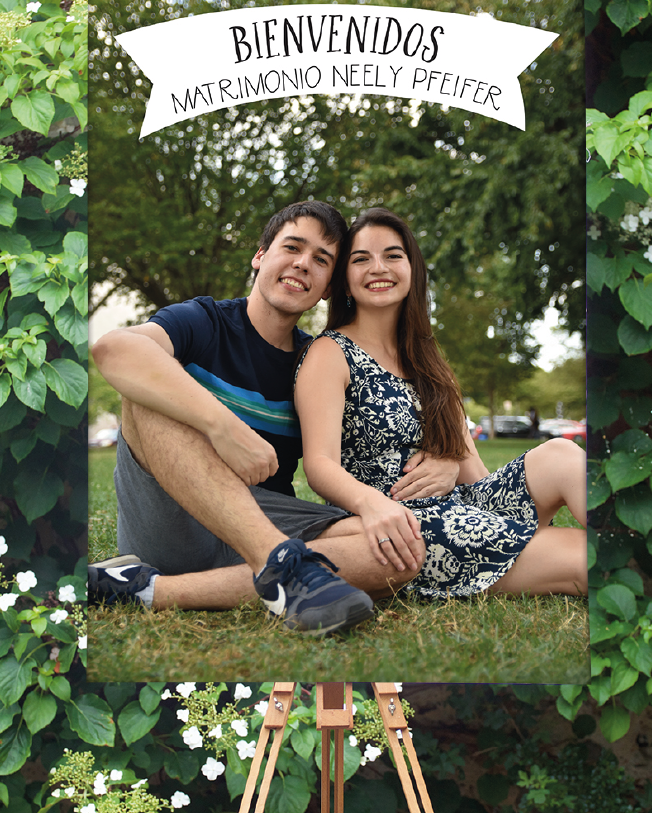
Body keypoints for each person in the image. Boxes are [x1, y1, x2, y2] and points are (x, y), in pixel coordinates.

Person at [88, 201, 426, 635]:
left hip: (265, 518)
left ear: (328, 287)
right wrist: (222, 427)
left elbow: (385, 424)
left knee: (399, 550)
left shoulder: (317, 360)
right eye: (292, 247)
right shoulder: (205, 321)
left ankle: (143, 589)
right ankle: (282, 566)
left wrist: (445, 458)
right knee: (146, 383)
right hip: (173, 520)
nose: (303, 264)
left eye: (322, 260)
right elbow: (114, 349)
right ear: (260, 255)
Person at [294, 207, 587, 600]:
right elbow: (319, 465)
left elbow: (476, 478)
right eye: (361, 259)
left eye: (393, 255)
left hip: (459, 507)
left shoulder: (429, 363)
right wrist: (376, 506)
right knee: (585, 556)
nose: (378, 267)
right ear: (345, 281)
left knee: (562, 455)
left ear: (412, 271)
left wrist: (450, 462)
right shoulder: (329, 353)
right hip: (402, 526)